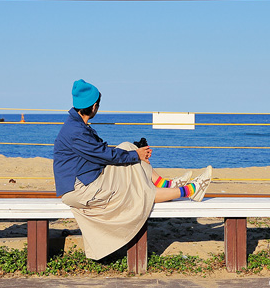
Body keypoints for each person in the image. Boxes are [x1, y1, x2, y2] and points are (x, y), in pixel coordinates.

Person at [53, 79, 212, 260]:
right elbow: (106, 155)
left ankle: (167, 183)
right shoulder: (76, 131)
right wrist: (137, 156)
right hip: (80, 189)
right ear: (94, 106)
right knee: (139, 191)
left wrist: (135, 153)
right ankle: (190, 190)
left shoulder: (77, 125)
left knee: (127, 147)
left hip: (88, 178)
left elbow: (102, 154)